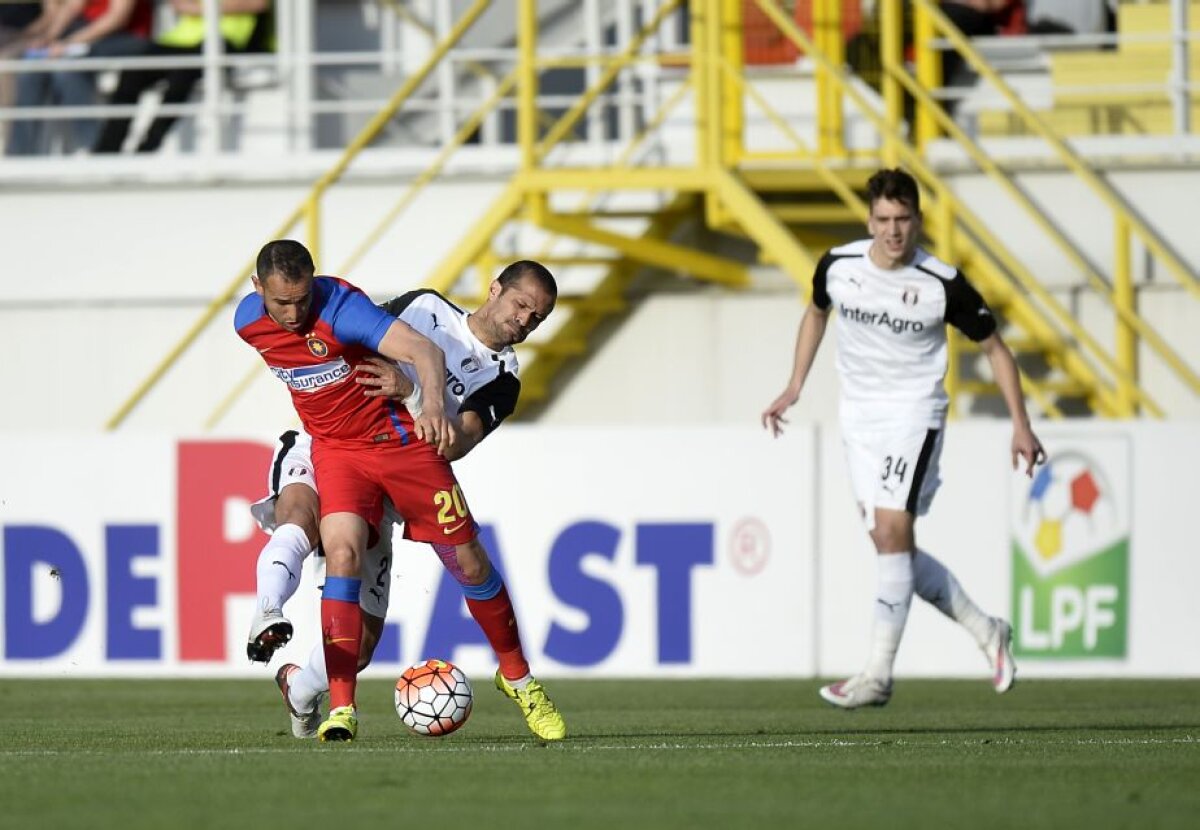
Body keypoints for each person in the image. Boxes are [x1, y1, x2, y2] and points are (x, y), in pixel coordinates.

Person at [761, 168, 1045, 709]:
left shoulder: (942, 283)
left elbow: (995, 349)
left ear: (918, 220)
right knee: (892, 546)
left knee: (893, 532)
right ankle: (988, 631)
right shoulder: (838, 266)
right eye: (884, 219)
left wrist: (1021, 424)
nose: (893, 230)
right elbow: (816, 313)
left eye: (903, 219)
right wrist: (794, 385)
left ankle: (877, 674)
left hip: (914, 416)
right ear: (870, 221)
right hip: (859, 422)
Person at [247, 261, 567, 743]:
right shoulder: (423, 307)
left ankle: (299, 687)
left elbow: (455, 443)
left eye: (537, 317)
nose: (524, 321)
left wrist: (414, 392)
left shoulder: (503, 378)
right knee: (308, 526)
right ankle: (271, 614)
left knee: (370, 640)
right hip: (332, 445)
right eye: (521, 305)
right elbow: (353, 336)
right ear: (495, 289)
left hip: (404, 468)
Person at [235, 238, 455, 743]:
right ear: (257, 289)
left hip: (378, 457)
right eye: (281, 302)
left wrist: (428, 403)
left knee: (361, 646)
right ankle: (268, 609)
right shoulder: (247, 322)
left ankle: (298, 687)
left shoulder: (344, 311)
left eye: (302, 300)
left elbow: (423, 351)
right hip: (316, 448)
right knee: (298, 519)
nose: (293, 314)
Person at [91, 0, 269, 154]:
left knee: (181, 77)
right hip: (180, 40)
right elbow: (180, 5)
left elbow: (258, 4)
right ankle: (107, 149)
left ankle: (148, 147)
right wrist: (226, 7)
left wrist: (201, 9)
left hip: (223, 40)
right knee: (133, 71)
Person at [5, 0, 152, 155]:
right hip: (85, 38)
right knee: (30, 71)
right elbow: (72, 6)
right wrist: (49, 38)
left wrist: (68, 44)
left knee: (66, 70)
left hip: (124, 39)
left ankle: (91, 146)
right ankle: (19, 152)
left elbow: (116, 19)